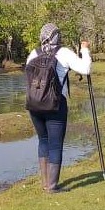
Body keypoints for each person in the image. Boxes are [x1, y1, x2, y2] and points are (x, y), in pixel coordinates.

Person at [26, 23, 91, 192]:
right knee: (55, 145)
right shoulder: (63, 53)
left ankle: (45, 184)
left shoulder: (33, 53)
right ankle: (52, 187)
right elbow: (85, 69)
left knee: (43, 141)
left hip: (34, 105)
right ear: (56, 37)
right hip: (55, 105)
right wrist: (85, 50)